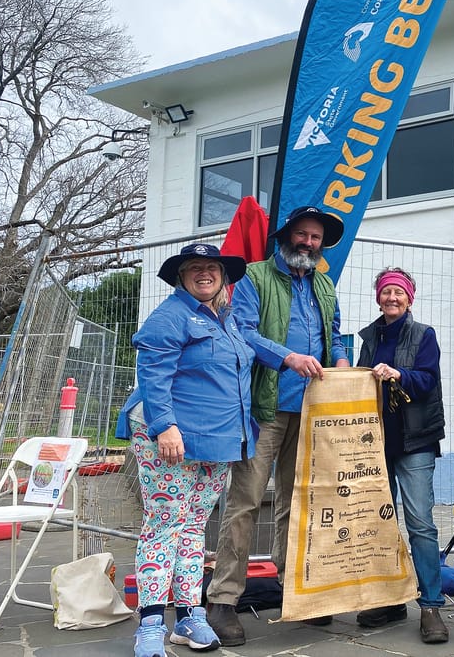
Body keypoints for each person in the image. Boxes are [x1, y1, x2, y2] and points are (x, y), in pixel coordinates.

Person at [206, 206, 351, 646]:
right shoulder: (252, 277)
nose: (308, 242)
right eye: (302, 234)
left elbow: (337, 333)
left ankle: (294, 590)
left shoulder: (324, 284)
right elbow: (241, 331)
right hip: (263, 408)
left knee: (296, 502)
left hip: (311, 411)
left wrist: (341, 361)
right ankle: (223, 600)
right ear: (286, 236)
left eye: (315, 237)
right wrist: (286, 356)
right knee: (246, 500)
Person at [116, 243, 256, 657]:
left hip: (216, 440)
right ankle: (151, 624)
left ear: (222, 276)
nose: (203, 274)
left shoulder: (226, 320)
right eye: (194, 268)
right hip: (172, 438)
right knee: (164, 527)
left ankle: (190, 616)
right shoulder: (170, 316)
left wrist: (293, 358)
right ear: (182, 276)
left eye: (210, 267)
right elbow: (154, 373)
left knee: (194, 529)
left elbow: (250, 355)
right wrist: (165, 427)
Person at [354, 268, 449, 644]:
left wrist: (398, 374)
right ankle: (391, 600)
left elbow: (428, 380)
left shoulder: (424, 335)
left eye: (399, 293)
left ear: (410, 298)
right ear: (378, 297)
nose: (392, 298)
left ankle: (430, 605)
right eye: (386, 292)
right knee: (379, 525)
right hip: (375, 442)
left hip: (415, 442)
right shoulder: (369, 336)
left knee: (420, 523)